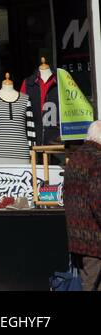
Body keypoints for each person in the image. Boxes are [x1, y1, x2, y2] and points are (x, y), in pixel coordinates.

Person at [64, 119, 101, 290]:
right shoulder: (97, 159)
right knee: (91, 286)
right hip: (95, 239)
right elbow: (98, 200)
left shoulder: (75, 158)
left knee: (87, 283)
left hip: (77, 237)